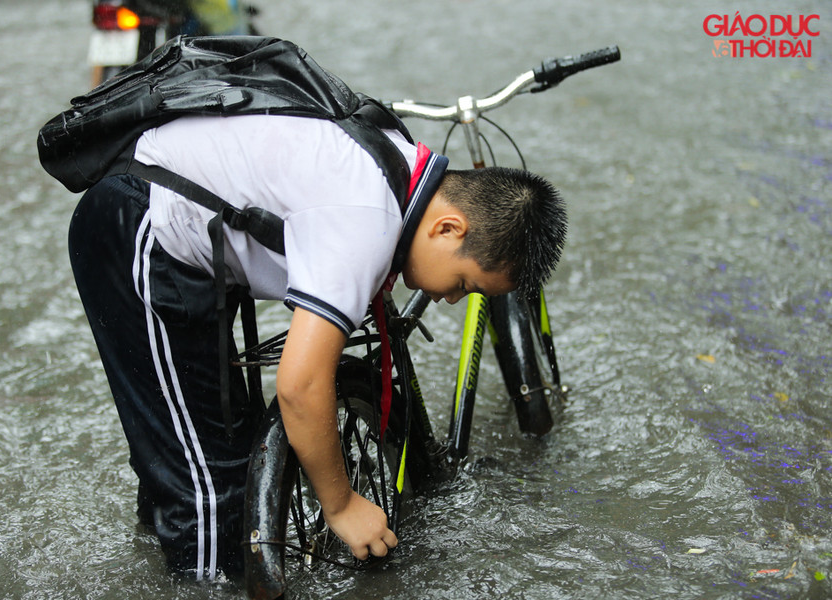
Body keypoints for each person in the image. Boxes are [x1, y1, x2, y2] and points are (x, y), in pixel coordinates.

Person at [67, 112, 566, 580]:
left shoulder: (398, 158)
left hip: (188, 228)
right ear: (448, 227)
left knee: (201, 442)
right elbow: (300, 386)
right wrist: (341, 505)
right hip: (143, 225)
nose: (453, 299)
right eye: (465, 284)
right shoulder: (366, 220)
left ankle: (166, 523)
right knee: (211, 496)